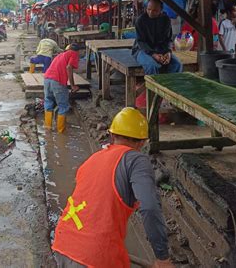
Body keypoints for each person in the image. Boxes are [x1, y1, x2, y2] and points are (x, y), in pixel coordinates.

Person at [52, 107, 173, 268]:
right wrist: (162, 258)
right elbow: (150, 207)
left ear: (112, 135)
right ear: (143, 141)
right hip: (93, 257)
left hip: (62, 244)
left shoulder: (92, 160)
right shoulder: (137, 160)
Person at [132, 0, 182, 75]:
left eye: (155, 10)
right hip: (142, 50)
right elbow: (141, 42)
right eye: (149, 9)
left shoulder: (166, 20)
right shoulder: (140, 20)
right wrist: (153, 54)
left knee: (177, 64)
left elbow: (168, 40)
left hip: (161, 50)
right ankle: (152, 87)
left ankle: (168, 86)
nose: (151, 12)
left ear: (161, 10)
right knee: (152, 66)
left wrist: (168, 53)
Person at [43, 43, 80, 133]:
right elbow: (69, 67)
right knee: (63, 106)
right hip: (58, 81)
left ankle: (48, 128)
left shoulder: (60, 55)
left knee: (48, 102)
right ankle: (61, 132)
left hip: (47, 79)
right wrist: (73, 86)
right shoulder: (73, 53)